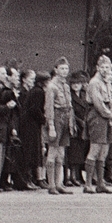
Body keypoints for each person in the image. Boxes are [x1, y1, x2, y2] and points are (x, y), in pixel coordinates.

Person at [83, 54, 112, 194]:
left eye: (107, 67)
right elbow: (98, 103)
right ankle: (87, 184)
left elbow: (111, 100)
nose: (105, 69)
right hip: (98, 116)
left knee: (104, 151)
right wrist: (111, 116)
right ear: (97, 67)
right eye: (102, 67)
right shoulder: (94, 83)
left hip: (107, 116)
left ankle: (100, 183)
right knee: (95, 149)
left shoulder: (106, 82)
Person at [44, 59, 76, 194]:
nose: (64, 71)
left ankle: (59, 183)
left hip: (66, 117)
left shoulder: (66, 86)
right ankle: (51, 185)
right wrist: (51, 125)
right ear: (56, 69)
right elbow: (49, 108)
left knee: (61, 153)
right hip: (56, 118)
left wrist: (71, 122)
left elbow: (70, 106)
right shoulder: (52, 86)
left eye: (66, 69)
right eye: (62, 68)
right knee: (52, 151)